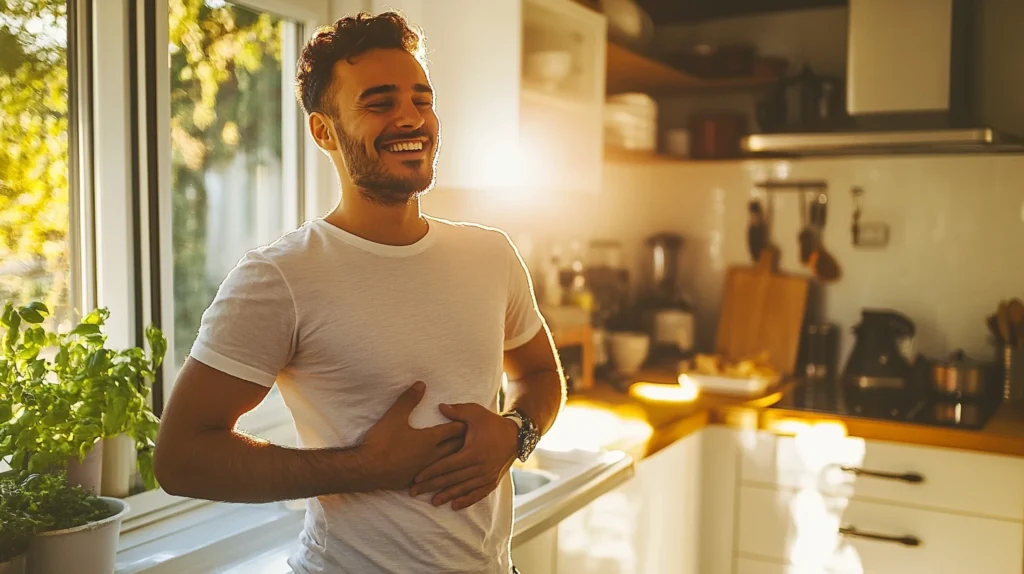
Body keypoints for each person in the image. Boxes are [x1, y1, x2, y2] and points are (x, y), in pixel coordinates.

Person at [152, 11, 566, 574]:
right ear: (324, 131)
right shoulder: (279, 278)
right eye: (379, 103)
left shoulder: (490, 254)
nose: (410, 118)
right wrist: (364, 466)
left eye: (422, 99)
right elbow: (181, 459)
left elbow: (542, 375)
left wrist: (514, 436)